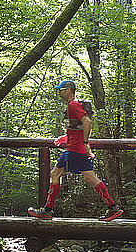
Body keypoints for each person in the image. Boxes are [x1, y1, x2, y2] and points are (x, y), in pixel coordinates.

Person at [28, 80, 124, 221]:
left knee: (55, 174)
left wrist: (85, 142)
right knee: (91, 178)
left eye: (61, 89)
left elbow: (87, 122)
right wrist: (66, 137)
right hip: (78, 149)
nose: (59, 92)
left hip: (74, 150)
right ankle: (113, 208)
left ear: (69, 90)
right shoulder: (74, 104)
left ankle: (47, 210)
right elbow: (78, 127)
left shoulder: (73, 105)